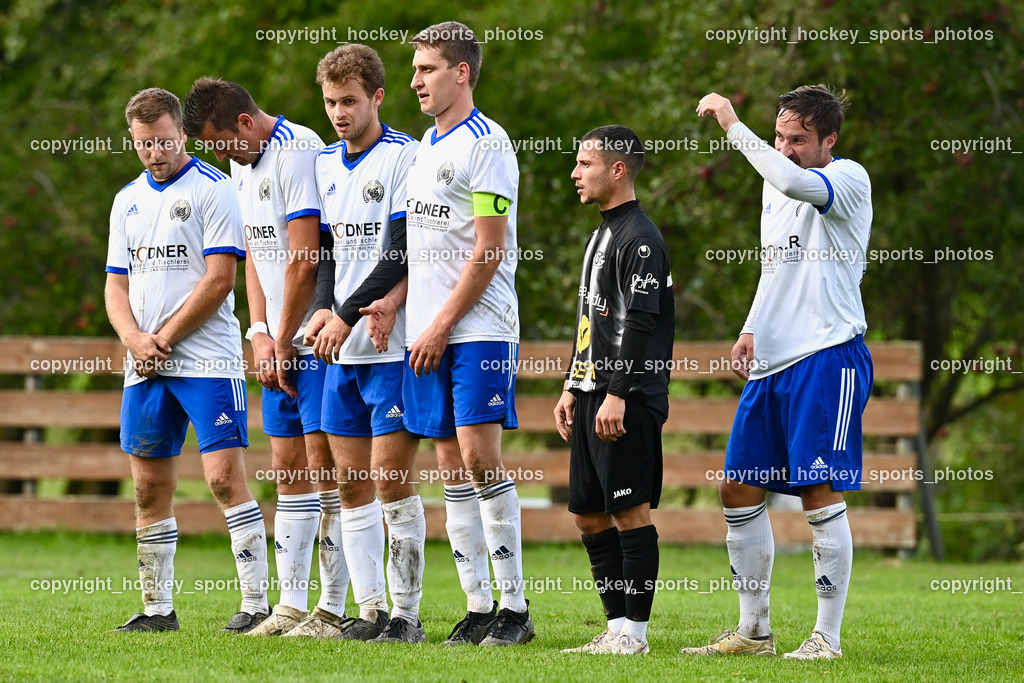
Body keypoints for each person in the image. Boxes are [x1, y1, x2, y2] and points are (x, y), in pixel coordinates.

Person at [681, 85, 873, 660]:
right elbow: (775, 265)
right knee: (736, 487)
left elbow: (793, 181)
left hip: (827, 355)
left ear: (829, 141)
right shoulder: (774, 180)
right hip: (773, 361)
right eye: (780, 137)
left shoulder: (849, 179)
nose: (785, 150)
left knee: (817, 489)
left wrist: (734, 128)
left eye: (799, 140)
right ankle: (754, 632)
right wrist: (749, 327)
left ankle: (826, 638)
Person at [182, 78, 343, 636]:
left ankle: (335, 607)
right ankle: (292, 606)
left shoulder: (298, 150)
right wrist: (258, 333)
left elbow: (304, 259)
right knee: (286, 468)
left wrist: (285, 336)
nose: (222, 156)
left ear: (245, 124)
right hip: (276, 339)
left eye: (224, 144)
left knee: (326, 466)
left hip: (315, 336)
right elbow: (252, 251)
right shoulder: (240, 164)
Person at [105, 87, 269, 632]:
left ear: (182, 132)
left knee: (224, 480)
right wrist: (133, 339)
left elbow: (221, 279)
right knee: (149, 488)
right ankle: (157, 610)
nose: (155, 152)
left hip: (207, 361)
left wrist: (163, 339)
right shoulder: (126, 200)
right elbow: (115, 285)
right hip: (144, 364)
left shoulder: (216, 189)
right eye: (144, 144)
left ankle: (254, 605)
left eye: (165, 140)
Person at [404, 21, 533, 646]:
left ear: (462, 73)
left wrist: (441, 323)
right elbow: (416, 245)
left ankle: (516, 609)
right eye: (415, 69)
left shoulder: (489, 144)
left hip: (478, 327)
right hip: (426, 331)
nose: (415, 80)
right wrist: (393, 308)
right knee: (450, 466)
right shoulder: (424, 146)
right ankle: (479, 606)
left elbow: (488, 249)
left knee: (481, 460)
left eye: (427, 68)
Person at [295, 42, 427, 643]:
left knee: (391, 478)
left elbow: (401, 250)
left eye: (349, 101)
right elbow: (327, 252)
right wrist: (323, 309)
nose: (338, 113)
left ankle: (407, 615)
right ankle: (368, 610)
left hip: (389, 341)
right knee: (349, 483)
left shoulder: (406, 156)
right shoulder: (323, 163)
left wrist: (346, 314)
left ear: (377, 96)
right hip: (339, 343)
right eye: (329, 102)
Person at [554, 126, 675, 656]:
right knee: (587, 513)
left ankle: (636, 635)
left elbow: (641, 325)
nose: (576, 173)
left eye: (585, 164)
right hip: (590, 392)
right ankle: (615, 626)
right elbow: (593, 321)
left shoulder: (641, 238)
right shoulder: (601, 233)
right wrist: (571, 384)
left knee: (630, 511)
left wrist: (619, 394)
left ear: (617, 170)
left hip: (625, 397)